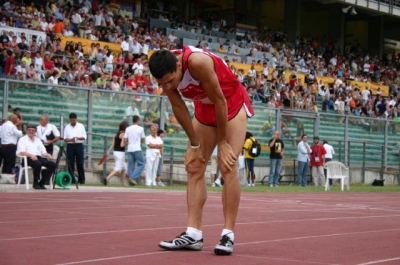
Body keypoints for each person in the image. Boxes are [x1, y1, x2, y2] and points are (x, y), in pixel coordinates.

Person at [149, 46, 253, 255]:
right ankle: (193, 233)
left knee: (228, 165)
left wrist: (222, 142)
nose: (168, 86)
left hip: (229, 104)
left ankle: (227, 234)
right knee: (194, 166)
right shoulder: (164, 71)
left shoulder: (197, 62)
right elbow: (179, 107)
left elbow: (220, 101)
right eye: (162, 84)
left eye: (170, 81)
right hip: (204, 108)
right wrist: (195, 145)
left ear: (179, 65)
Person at [16, 124, 56, 189]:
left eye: (33, 130)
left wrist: (48, 155)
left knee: (53, 165)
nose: (31, 131)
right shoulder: (22, 139)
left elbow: (43, 152)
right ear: (26, 131)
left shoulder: (38, 140)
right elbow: (21, 152)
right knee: (38, 164)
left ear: (35, 132)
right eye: (29, 130)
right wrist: (31, 155)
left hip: (38, 157)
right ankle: (35, 183)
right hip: (27, 158)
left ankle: (42, 182)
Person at [64, 113, 87, 184]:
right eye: (71, 120)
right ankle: (72, 179)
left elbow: (84, 137)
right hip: (70, 145)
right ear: (70, 120)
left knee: (80, 163)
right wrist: (70, 139)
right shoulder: (67, 127)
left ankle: (82, 180)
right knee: (70, 163)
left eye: (74, 120)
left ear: (76, 119)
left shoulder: (80, 126)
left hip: (79, 145)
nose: (73, 122)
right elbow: (65, 138)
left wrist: (77, 138)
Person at [103, 121, 128, 186]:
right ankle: (107, 178)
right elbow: (122, 145)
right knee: (118, 168)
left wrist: (108, 151)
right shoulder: (123, 134)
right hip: (120, 153)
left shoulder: (116, 134)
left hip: (115, 152)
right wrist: (127, 142)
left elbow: (113, 145)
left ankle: (123, 183)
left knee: (124, 167)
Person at [124, 115, 145, 185]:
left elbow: (125, 140)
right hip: (137, 148)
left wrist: (129, 141)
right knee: (141, 164)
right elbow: (142, 140)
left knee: (131, 166)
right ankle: (132, 177)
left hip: (130, 149)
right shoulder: (141, 129)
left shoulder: (128, 129)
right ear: (138, 120)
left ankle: (131, 183)